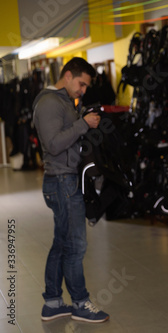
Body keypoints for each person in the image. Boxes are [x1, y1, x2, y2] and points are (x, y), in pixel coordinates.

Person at [33, 57, 110, 323]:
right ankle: (80, 302)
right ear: (67, 75)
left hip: (66, 180)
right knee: (76, 246)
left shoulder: (63, 101)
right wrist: (83, 124)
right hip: (62, 182)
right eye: (81, 84)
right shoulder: (49, 103)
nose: (83, 90)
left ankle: (53, 302)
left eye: (86, 87)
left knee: (62, 243)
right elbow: (54, 144)